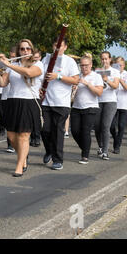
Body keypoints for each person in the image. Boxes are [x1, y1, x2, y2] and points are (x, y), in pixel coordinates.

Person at [0, 39, 43, 177]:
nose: (25, 51)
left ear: (31, 51)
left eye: (28, 49)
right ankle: (23, 156)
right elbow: (2, 83)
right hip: (13, 102)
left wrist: (9, 64)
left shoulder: (38, 64)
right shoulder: (12, 65)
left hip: (29, 102)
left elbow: (29, 73)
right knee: (12, 137)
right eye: (22, 49)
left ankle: (19, 165)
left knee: (23, 136)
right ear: (19, 51)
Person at [40, 38, 80, 170]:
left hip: (61, 102)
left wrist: (58, 76)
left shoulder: (70, 61)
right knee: (45, 129)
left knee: (58, 131)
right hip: (46, 100)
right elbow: (40, 76)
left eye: (60, 45)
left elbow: (75, 80)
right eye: (55, 44)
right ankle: (49, 151)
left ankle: (58, 160)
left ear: (65, 47)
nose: (57, 47)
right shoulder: (46, 60)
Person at [70, 55, 104, 164]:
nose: (84, 67)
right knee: (74, 131)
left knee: (85, 131)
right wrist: (73, 88)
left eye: (86, 65)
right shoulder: (77, 76)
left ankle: (85, 155)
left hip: (90, 106)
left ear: (91, 65)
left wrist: (87, 84)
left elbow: (99, 92)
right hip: (76, 106)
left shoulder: (96, 76)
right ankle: (85, 147)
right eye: (82, 65)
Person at [94, 51, 120, 160]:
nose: (104, 61)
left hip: (110, 101)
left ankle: (105, 151)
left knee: (105, 126)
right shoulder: (97, 71)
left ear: (110, 59)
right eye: (102, 59)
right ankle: (100, 146)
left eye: (106, 59)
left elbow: (115, 86)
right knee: (96, 126)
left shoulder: (115, 71)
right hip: (98, 100)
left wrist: (107, 79)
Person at [110, 57, 127, 154]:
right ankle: (116, 139)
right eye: (117, 65)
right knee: (111, 126)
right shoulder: (112, 73)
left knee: (121, 125)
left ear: (123, 65)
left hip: (123, 104)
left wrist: (120, 80)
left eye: (120, 65)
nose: (119, 67)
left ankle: (117, 146)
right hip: (113, 102)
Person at [30, 50, 42, 147]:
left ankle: (37, 137)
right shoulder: (29, 65)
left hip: (37, 95)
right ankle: (32, 137)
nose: (35, 59)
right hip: (29, 95)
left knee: (36, 118)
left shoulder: (40, 65)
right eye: (34, 57)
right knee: (30, 119)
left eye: (37, 57)